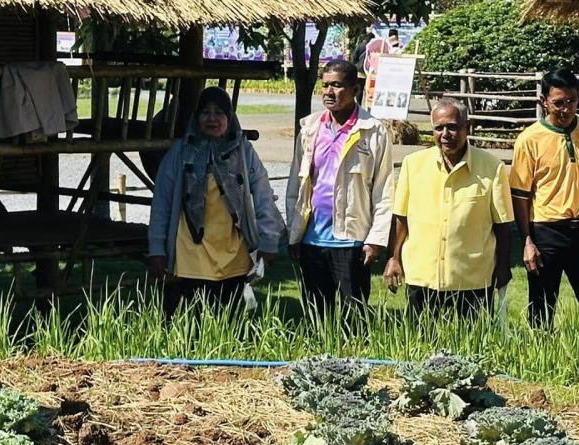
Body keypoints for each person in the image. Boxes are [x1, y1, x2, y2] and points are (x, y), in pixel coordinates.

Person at [148, 86, 284, 310]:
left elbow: (263, 196)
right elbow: (161, 203)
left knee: (230, 321)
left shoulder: (243, 152)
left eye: (219, 112)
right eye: (206, 112)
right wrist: (157, 249)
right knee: (192, 321)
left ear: (229, 118)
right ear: (196, 117)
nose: (212, 118)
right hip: (190, 253)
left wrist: (269, 240)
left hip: (234, 253)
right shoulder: (180, 153)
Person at [384, 97, 513, 316]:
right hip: (422, 276)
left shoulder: (492, 167)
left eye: (453, 127)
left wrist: (503, 266)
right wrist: (394, 258)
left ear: (467, 127)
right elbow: (401, 217)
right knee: (422, 344)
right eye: (439, 128)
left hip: (472, 279)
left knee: (470, 347)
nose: (446, 134)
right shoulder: (412, 164)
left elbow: (502, 225)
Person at [286, 60, 394, 315]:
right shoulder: (310, 128)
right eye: (325, 86)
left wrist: (376, 240)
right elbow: (296, 184)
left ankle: (352, 356)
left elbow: (384, 190)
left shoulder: (373, 131)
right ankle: (315, 357)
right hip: (312, 240)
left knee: (353, 318)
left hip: (351, 242)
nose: (329, 92)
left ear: (355, 89)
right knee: (316, 317)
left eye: (337, 85)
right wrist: (293, 232)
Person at [510, 68, 579, 326]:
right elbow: (520, 194)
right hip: (546, 231)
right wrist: (527, 241)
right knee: (541, 308)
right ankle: (541, 361)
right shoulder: (529, 139)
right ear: (544, 102)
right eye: (558, 103)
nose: (566, 109)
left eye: (572, 101)